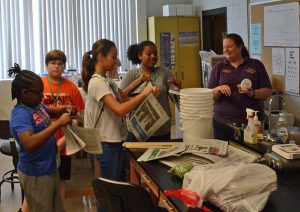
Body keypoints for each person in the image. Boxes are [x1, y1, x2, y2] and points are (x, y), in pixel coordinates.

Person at [81, 39, 158, 183]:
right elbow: (119, 109)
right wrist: (144, 94)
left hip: (116, 140)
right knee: (110, 192)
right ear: (100, 57)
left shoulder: (107, 79)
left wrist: (142, 86)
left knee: (117, 187)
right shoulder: (97, 82)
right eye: (113, 56)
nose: (116, 61)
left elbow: (123, 98)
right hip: (107, 143)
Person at [8, 64, 77, 212]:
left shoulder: (37, 106)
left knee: (56, 207)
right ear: (25, 93)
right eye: (39, 92)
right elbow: (29, 143)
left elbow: (50, 112)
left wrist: (65, 108)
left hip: (49, 167)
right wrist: (58, 124)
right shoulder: (20, 115)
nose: (42, 94)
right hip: (36, 173)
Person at [208, 33, 272, 141]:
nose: (226, 50)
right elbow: (210, 95)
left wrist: (253, 93)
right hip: (222, 123)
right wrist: (218, 89)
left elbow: (268, 91)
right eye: (224, 47)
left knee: (250, 155)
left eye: (229, 46)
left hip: (250, 124)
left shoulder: (256, 65)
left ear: (240, 47)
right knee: (223, 155)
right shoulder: (219, 67)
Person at [41, 50, 85, 206]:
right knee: (43, 179)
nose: (56, 67)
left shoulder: (71, 87)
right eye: (53, 63)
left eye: (60, 64)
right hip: (44, 139)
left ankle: (60, 208)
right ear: (46, 65)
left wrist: (67, 137)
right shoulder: (39, 85)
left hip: (64, 140)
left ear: (64, 66)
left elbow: (80, 114)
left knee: (61, 178)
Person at [119, 40, 181, 142]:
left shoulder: (165, 73)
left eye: (155, 53)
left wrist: (179, 89)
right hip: (138, 131)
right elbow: (120, 99)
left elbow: (177, 100)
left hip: (161, 131)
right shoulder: (132, 75)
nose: (153, 56)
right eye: (148, 53)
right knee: (138, 158)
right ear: (140, 56)